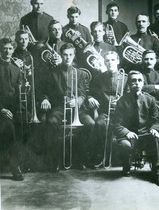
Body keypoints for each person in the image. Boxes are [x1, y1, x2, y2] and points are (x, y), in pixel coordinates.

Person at [40, 43, 94, 172]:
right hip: (59, 108)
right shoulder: (52, 72)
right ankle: (55, 160)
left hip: (77, 109)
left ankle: (80, 159)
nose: (67, 57)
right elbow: (44, 91)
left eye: (70, 54)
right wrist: (45, 99)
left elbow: (83, 93)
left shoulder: (80, 73)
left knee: (90, 123)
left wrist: (78, 101)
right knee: (51, 122)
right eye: (65, 54)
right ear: (61, 55)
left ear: (74, 55)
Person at [112, 70, 159, 186]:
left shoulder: (150, 99)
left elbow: (156, 120)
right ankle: (126, 165)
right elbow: (116, 124)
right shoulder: (122, 101)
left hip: (144, 135)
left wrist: (154, 129)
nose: (137, 83)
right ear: (129, 84)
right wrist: (127, 132)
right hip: (129, 137)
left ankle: (157, 171)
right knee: (125, 145)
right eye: (133, 81)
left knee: (155, 138)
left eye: (139, 80)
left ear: (143, 83)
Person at [86, 51, 128, 166]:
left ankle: (119, 157)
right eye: (108, 60)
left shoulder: (125, 78)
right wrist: (90, 98)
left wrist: (121, 102)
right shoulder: (99, 78)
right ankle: (100, 156)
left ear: (118, 61)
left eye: (113, 60)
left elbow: (130, 96)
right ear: (104, 62)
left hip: (122, 115)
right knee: (99, 124)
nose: (110, 63)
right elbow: (90, 92)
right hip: (105, 113)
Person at [0, 38, 24, 181]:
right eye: (4, 48)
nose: (7, 51)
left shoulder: (17, 70)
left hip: (13, 109)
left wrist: (18, 110)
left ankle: (25, 163)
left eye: (10, 48)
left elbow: (20, 94)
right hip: (1, 110)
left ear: (13, 50)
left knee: (25, 122)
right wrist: (1, 109)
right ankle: (15, 167)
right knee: (9, 127)